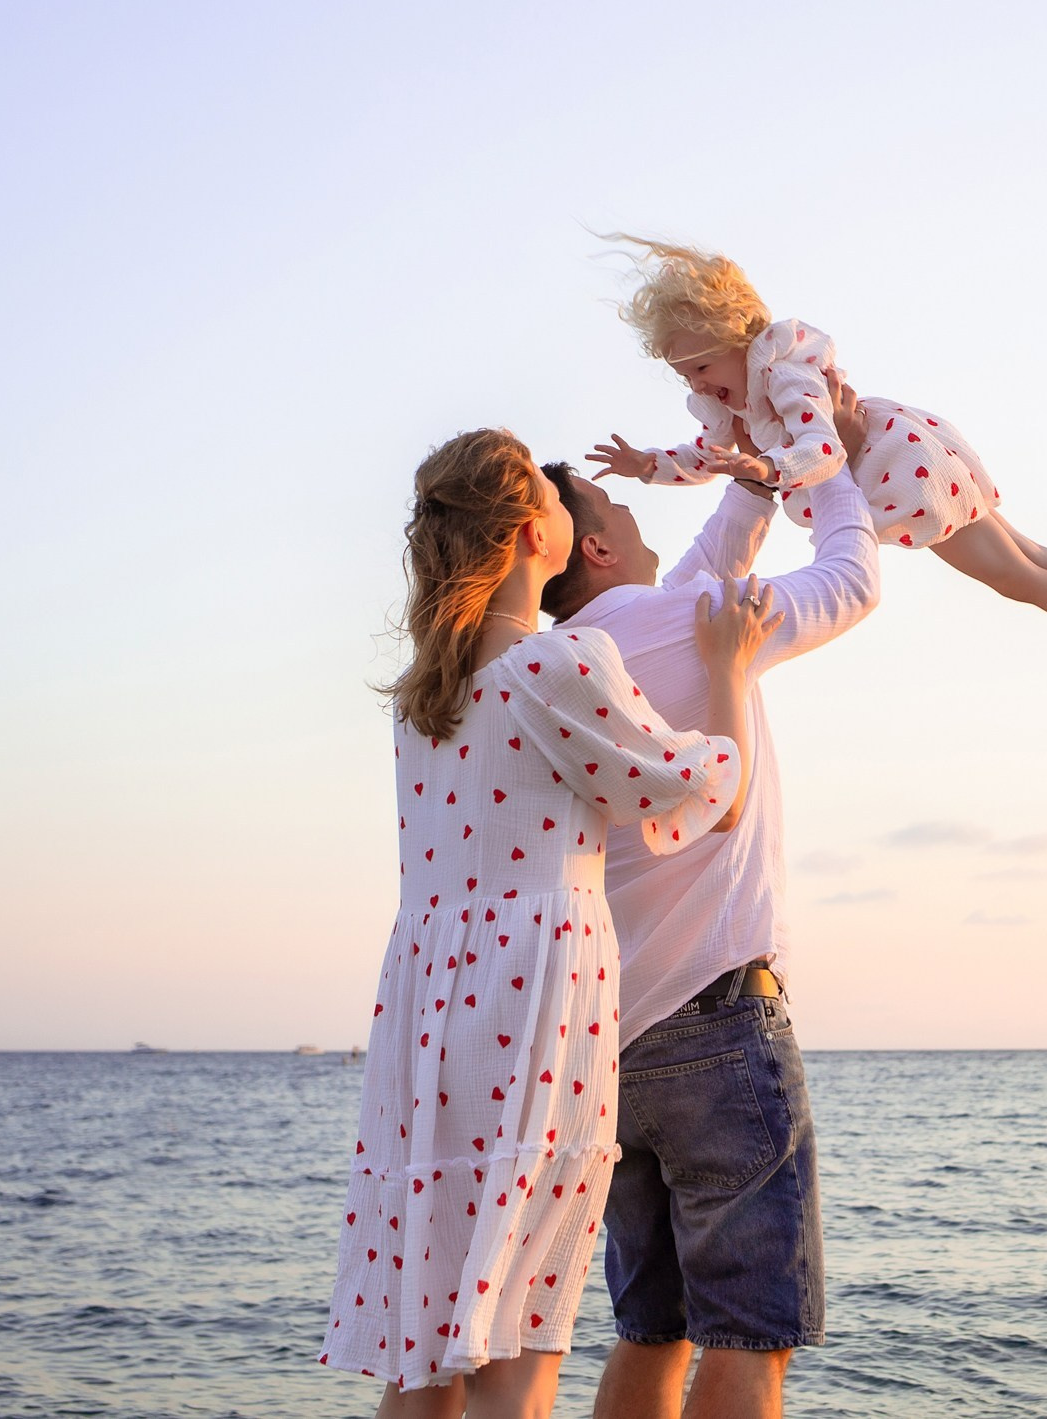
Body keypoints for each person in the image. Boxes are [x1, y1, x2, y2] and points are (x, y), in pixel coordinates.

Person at [318, 427, 780, 1419]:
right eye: (558, 495)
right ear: (535, 530)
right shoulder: (563, 663)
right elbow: (706, 790)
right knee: (517, 1352)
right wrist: (727, 665)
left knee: (430, 1348)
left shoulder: (421, 696)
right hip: (531, 1015)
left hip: (428, 1017)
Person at [537, 397, 880, 1419]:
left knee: (652, 1328)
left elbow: (697, 566)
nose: (634, 507)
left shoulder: (572, 659)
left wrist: (749, 484)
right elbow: (852, 580)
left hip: (617, 1047)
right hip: (719, 1023)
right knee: (749, 1340)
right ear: (595, 544)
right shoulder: (675, 621)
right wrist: (826, 460)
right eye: (611, 499)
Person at [587, 234, 1047, 733]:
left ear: (739, 339)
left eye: (701, 366)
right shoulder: (733, 398)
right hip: (901, 452)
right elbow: (712, 456)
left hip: (896, 467)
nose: (696, 385)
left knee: (1013, 574)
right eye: (683, 374)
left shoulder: (784, 374)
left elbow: (821, 449)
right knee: (1029, 553)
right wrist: (649, 465)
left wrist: (771, 470)